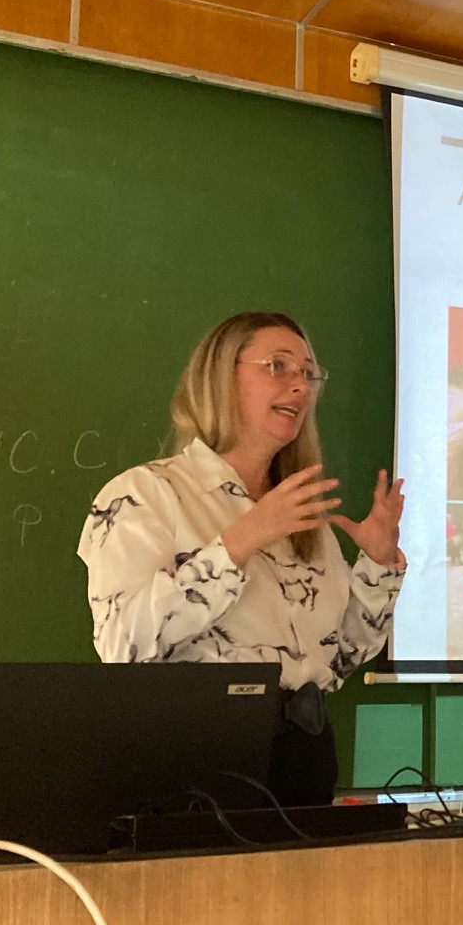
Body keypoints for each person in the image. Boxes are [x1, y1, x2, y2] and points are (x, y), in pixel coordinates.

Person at [78, 311, 406, 806]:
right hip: (198, 755)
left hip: (305, 754)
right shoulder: (145, 494)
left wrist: (378, 566)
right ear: (220, 377)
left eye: (308, 373)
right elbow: (122, 646)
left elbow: (337, 661)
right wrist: (239, 542)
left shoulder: (302, 513)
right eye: (278, 366)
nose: (300, 386)